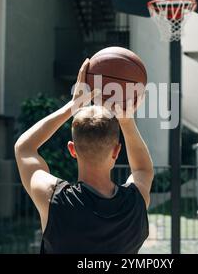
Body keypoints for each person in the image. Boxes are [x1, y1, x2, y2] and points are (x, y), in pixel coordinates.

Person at [14, 59, 154, 254]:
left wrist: (72, 105)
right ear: (116, 151)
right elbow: (143, 169)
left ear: (72, 149)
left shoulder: (54, 199)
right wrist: (127, 121)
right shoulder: (134, 203)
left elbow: (24, 148)